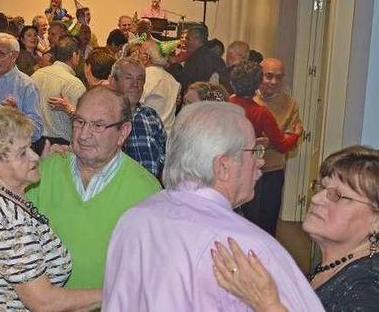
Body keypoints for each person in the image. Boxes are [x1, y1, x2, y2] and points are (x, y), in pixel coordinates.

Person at [103, 101, 323, 311]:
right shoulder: (249, 249)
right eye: (253, 151)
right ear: (223, 166)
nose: (261, 161)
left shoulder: (133, 219)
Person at [0, 107, 102, 312]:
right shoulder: (8, 221)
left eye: (30, 147)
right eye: (22, 153)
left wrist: (41, 164)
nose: (34, 156)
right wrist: (112, 291)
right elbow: (43, 301)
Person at [212, 146, 379, 312]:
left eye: (337, 195)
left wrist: (266, 303)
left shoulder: (370, 283)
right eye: (321, 187)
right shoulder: (336, 265)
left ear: (376, 221)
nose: (316, 199)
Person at [27, 86, 161, 288]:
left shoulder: (147, 192)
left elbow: (152, 274)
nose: (83, 135)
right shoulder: (42, 173)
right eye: (79, 122)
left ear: (123, 132)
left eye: (98, 125)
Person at [229, 61, 301, 236]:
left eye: (279, 77)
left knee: (262, 219)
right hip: (248, 170)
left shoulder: (290, 104)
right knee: (250, 221)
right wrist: (296, 134)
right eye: (268, 76)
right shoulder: (260, 111)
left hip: (271, 171)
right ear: (259, 79)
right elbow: (283, 144)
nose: (273, 82)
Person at [109, 57, 167, 178]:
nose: (135, 85)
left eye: (140, 79)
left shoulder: (150, 116)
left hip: (152, 190)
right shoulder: (102, 118)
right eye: (129, 78)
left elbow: (166, 156)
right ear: (113, 82)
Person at [33, 35, 86, 145]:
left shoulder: (35, 75)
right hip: (62, 147)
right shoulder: (74, 84)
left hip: (34, 142)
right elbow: (83, 122)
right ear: (75, 55)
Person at [168, 24, 231, 93]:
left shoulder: (197, 58)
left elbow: (184, 81)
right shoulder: (214, 58)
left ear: (197, 39)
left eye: (188, 39)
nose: (185, 42)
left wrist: (174, 65)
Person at [138, 39, 180, 132]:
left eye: (139, 53)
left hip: (147, 132)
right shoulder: (173, 80)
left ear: (146, 58)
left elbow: (135, 104)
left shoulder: (145, 78)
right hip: (168, 134)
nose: (137, 56)